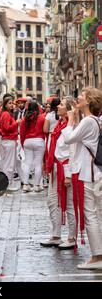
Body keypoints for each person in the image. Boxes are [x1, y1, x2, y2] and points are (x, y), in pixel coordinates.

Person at [61, 87, 102, 269]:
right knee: (95, 214)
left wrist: (70, 120)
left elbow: (69, 139)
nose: (78, 97)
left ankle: (97, 257)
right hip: (93, 172)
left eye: (82, 96)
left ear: (90, 101)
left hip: (89, 173)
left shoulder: (88, 122)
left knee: (90, 215)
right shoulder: (93, 120)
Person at [40, 97, 76, 249]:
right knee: (52, 202)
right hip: (55, 168)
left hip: (66, 168)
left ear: (68, 109)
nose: (57, 106)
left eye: (61, 104)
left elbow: (72, 151)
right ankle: (56, 235)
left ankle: (72, 237)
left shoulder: (72, 126)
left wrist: (68, 174)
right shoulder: (59, 124)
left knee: (69, 204)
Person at [0, 97, 19, 188]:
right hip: (8, 140)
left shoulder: (6, 113)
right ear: (5, 104)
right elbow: (6, 128)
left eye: (12, 103)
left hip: (8, 140)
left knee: (6, 162)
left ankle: (5, 182)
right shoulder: (6, 114)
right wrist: (16, 123)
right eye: (9, 103)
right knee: (9, 163)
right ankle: (7, 183)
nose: (12, 105)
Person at [20, 101, 46, 192]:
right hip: (39, 141)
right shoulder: (42, 118)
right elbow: (44, 131)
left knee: (27, 163)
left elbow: (22, 133)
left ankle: (25, 185)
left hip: (27, 141)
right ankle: (37, 185)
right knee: (38, 164)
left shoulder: (24, 119)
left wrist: (23, 144)